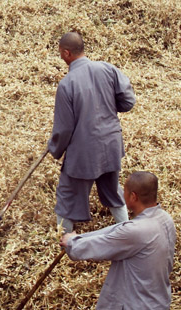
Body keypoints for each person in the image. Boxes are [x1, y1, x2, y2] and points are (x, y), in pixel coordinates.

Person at [49, 32, 136, 233]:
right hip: (111, 144)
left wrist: (54, 149)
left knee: (66, 196)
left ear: (66, 53)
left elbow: (64, 129)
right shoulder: (107, 68)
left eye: (61, 53)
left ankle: (63, 242)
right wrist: (107, 107)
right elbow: (128, 101)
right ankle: (127, 232)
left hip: (84, 153)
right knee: (112, 190)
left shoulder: (66, 84)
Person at [60, 171, 176, 309]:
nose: (122, 195)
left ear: (133, 197)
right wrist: (79, 238)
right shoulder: (165, 218)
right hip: (159, 300)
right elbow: (118, 229)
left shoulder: (136, 231)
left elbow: (103, 244)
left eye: (125, 191)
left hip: (138, 304)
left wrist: (72, 243)